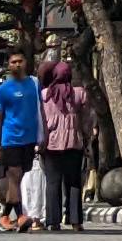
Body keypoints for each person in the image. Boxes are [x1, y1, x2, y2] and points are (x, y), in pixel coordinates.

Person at [0, 47, 43, 227]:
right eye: (13, 62)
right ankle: (20, 216)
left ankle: (5, 215)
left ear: (26, 63)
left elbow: (41, 112)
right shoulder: (3, 90)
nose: (17, 65)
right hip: (10, 139)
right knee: (15, 175)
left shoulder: (34, 84)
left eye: (20, 61)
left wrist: (44, 135)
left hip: (30, 139)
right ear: (8, 66)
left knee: (17, 179)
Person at [35, 54, 89, 231]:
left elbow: (40, 120)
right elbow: (87, 120)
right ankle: (75, 221)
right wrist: (86, 136)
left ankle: (53, 220)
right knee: (73, 182)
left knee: (52, 182)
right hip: (74, 144)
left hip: (50, 144)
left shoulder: (44, 95)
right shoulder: (79, 94)